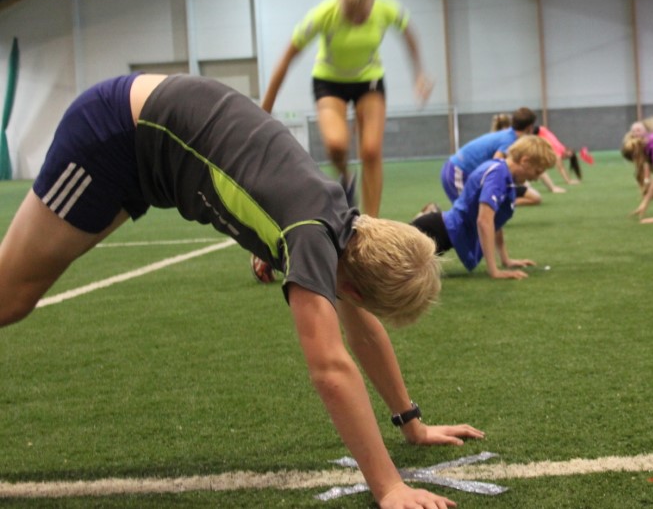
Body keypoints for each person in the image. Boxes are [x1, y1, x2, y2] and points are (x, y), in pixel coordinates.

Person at [0, 73, 481, 509]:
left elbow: (363, 329)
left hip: (150, 149)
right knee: (11, 298)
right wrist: (390, 487)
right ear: (354, 289)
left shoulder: (345, 224)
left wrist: (411, 422)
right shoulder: (312, 234)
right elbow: (331, 368)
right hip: (117, 134)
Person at [260, 0, 433, 218]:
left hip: (369, 81)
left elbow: (409, 34)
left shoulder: (386, 8)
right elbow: (285, 61)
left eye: (362, 17)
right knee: (336, 146)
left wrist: (419, 73)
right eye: (352, 18)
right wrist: (264, 110)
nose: (357, 22)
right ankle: (346, 176)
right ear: (341, 6)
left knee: (371, 150)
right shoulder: (322, 14)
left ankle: (372, 223)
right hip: (329, 82)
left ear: (372, 3)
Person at [412, 136, 556, 279]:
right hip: (434, 231)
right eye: (537, 171)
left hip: (442, 233)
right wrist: (494, 271)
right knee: (404, 273)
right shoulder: (498, 175)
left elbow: (495, 222)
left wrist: (505, 260)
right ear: (525, 161)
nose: (536, 178)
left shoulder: (503, 172)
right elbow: (484, 221)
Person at [440, 108, 536, 203]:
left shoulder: (508, 134)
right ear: (530, 128)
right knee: (465, 210)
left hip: (457, 170)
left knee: (474, 209)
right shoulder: (509, 140)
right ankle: (432, 212)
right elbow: (497, 163)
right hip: (457, 172)